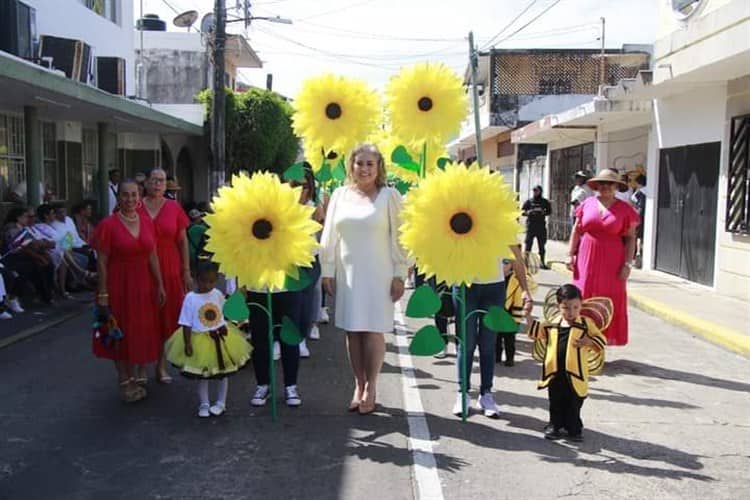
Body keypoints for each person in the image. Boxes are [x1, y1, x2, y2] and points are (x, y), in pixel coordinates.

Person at [321, 143, 411, 415]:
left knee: (372, 330)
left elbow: (402, 237)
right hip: (347, 273)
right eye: (360, 163)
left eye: (370, 164)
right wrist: (327, 269)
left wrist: (400, 273)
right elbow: (329, 235)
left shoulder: (389, 196)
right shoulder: (339, 195)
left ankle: (372, 386)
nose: (364, 169)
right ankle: (358, 385)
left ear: (379, 167)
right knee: (353, 330)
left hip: (379, 274)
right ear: (351, 166)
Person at [92, 179, 166, 403]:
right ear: (119, 197)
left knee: (139, 330)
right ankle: (125, 380)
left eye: (134, 195)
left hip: (143, 284)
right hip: (117, 285)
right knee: (117, 332)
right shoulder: (108, 225)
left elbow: (152, 255)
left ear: (139, 195)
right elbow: (102, 262)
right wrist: (103, 294)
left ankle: (136, 374)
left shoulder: (146, 222)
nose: (130, 199)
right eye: (125, 195)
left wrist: (160, 284)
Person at [164, 261, 252, 417]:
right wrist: (188, 342)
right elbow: (186, 322)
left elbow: (226, 310)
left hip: (221, 338)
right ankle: (204, 403)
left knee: (223, 374)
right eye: (204, 281)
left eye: (212, 281)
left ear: (217, 279)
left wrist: (239, 300)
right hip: (200, 339)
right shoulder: (190, 298)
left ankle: (221, 402)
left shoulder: (217, 294)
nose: (208, 285)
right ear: (196, 278)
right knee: (202, 375)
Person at [454, 247, 533, 418]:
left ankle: (486, 394)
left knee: (488, 344)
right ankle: (463, 393)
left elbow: (516, 256)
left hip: (493, 287)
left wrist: (525, 289)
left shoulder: (503, 221)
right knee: (466, 342)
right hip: (464, 285)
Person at [567, 168, 640, 346]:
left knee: (609, 297)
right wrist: (570, 254)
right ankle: (579, 338)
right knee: (582, 294)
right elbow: (577, 231)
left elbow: (631, 238)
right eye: (602, 183)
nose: (605, 187)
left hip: (612, 260)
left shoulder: (625, 209)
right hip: (586, 256)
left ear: (616, 186)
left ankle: (599, 341)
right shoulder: (587, 204)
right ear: (596, 186)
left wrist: (627, 264)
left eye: (610, 184)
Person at [528, 284, 606, 442]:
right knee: (555, 400)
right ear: (559, 306)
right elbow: (537, 333)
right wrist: (528, 315)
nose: (571, 312)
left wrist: (588, 341)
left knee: (574, 401)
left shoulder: (585, 324)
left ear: (581, 305)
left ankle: (573, 427)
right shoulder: (552, 324)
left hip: (576, 373)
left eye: (575, 307)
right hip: (555, 372)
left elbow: (601, 340)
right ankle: (554, 425)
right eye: (566, 308)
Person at [138, 168, 191, 384]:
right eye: (154, 180)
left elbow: (182, 241)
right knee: (143, 318)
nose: (158, 184)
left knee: (165, 318)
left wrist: (186, 271)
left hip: (169, 266)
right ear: (146, 183)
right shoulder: (135, 205)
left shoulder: (173, 207)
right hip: (141, 267)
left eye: (162, 181)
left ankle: (161, 365)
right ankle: (141, 366)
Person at [1, 207, 54, 305]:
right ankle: (15, 298)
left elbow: (34, 242)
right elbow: (23, 245)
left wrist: (43, 248)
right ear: (18, 218)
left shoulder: (24, 227)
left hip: (23, 255)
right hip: (11, 257)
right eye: (25, 217)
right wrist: (38, 256)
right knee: (32, 267)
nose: (28, 219)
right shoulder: (11, 227)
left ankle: (47, 295)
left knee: (49, 265)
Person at [496, 259, 524, 366]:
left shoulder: (516, 281)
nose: (503, 266)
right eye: (501, 262)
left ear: (512, 265)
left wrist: (516, 320)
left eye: (506, 263)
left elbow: (518, 302)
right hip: (496, 313)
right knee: (496, 337)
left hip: (509, 314)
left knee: (509, 339)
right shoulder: (494, 278)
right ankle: (496, 356)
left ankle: (509, 358)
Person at [522, 185, 552, 269]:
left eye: (536, 190)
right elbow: (522, 211)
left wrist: (543, 212)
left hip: (541, 226)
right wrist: (529, 212)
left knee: (542, 245)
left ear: (540, 191)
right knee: (528, 245)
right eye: (534, 190)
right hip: (531, 226)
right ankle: (526, 263)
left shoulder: (545, 202)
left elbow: (549, 212)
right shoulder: (529, 201)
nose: (535, 192)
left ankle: (542, 262)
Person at [631, 175, 647, 268]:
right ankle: (639, 253)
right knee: (641, 237)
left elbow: (634, 202)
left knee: (637, 236)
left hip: (639, 216)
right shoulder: (647, 191)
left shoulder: (640, 192)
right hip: (645, 217)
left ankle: (637, 254)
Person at [186, 208, 209, 273]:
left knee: (191, 271)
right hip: (195, 253)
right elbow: (210, 232)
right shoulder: (198, 228)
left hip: (188, 252)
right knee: (197, 272)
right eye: (200, 217)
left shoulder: (188, 226)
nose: (201, 218)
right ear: (197, 218)